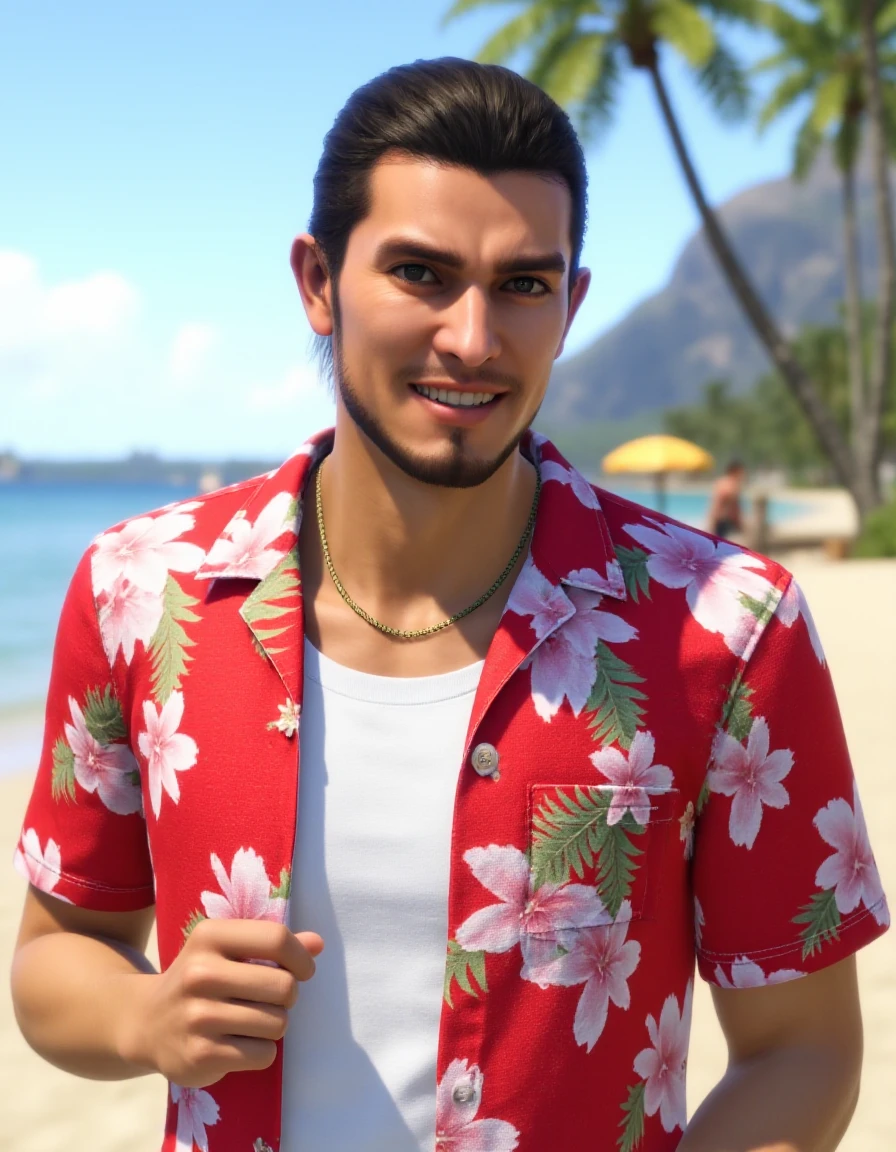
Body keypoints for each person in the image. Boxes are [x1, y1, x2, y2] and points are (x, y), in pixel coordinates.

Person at [10, 58, 889, 1152]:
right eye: (421, 273)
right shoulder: (138, 592)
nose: (472, 338)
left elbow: (803, 1051)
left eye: (523, 284)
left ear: (569, 305)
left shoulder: (726, 624)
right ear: (318, 281)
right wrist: (145, 1015)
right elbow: (54, 956)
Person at [707, 458, 747, 539]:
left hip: (719, 520)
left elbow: (715, 505)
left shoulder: (721, 482)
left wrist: (711, 522)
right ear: (735, 471)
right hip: (725, 521)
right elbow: (734, 508)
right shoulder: (733, 486)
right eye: (741, 472)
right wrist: (740, 524)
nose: (743, 475)